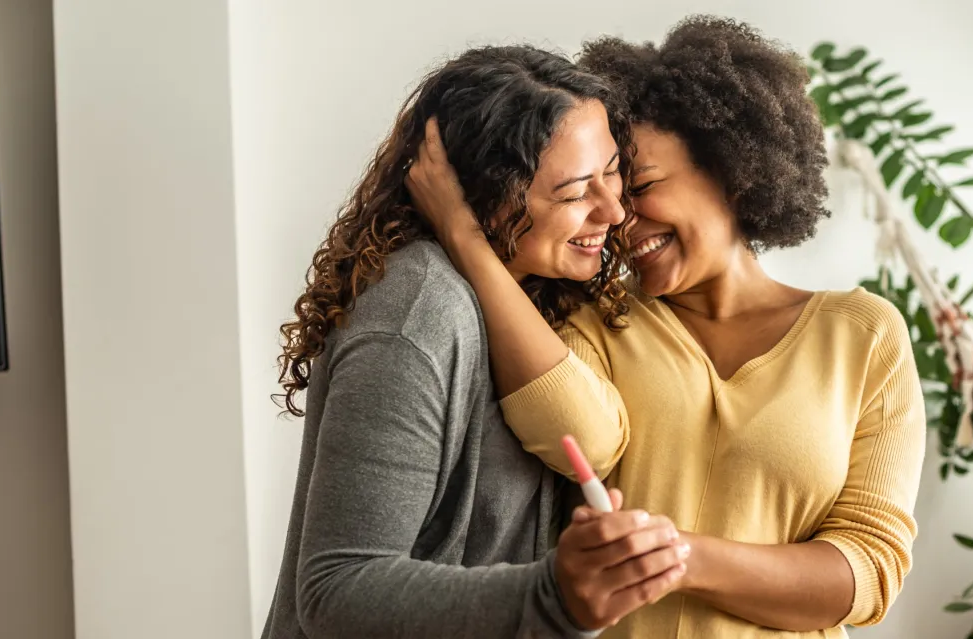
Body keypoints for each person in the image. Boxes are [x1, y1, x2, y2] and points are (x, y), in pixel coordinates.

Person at [406, 17, 927, 638]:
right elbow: (575, 436)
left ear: (735, 169)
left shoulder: (865, 339)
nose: (619, 218)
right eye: (605, 190)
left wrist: (675, 555)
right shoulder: (591, 316)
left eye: (642, 185)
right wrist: (468, 241)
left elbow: (866, 575)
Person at [261, 45, 692, 639]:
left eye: (613, 170)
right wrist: (553, 597)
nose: (615, 211)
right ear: (491, 198)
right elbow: (337, 591)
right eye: (572, 194)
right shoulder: (418, 315)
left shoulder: (539, 297)